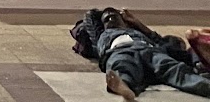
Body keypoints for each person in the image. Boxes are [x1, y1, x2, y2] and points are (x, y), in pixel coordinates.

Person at [76, 8, 210, 100]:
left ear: (125, 22)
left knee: (175, 69)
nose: (111, 20)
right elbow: (90, 15)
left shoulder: (138, 32)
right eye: (107, 19)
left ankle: (205, 86)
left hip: (149, 50)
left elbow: (159, 40)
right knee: (122, 67)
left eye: (114, 17)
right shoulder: (100, 36)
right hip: (120, 51)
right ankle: (124, 87)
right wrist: (106, 12)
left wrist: (136, 23)